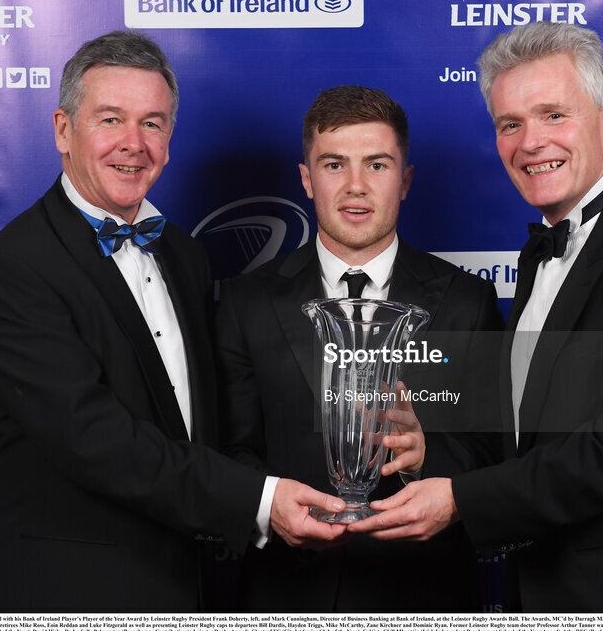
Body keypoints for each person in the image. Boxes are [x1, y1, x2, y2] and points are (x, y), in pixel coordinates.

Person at [349, 23, 603, 612]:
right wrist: (428, 454)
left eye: (553, 115)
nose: (531, 142)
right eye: (509, 124)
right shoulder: (540, 254)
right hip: (548, 588)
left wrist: (461, 499)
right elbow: (535, 436)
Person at [0, 30, 346, 612]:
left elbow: (202, 423)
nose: (133, 144)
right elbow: (95, 439)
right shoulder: (14, 267)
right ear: (63, 130)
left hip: (183, 584)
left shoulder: (184, 255)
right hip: (63, 594)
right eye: (110, 119)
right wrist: (262, 500)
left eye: (152, 123)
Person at [215, 85, 504, 611]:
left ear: (405, 180)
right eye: (334, 165)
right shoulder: (244, 302)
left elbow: (492, 454)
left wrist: (424, 456)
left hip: (425, 595)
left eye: (376, 165)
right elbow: (230, 448)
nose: (355, 186)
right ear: (306, 178)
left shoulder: (469, 301)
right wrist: (269, 506)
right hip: (286, 593)